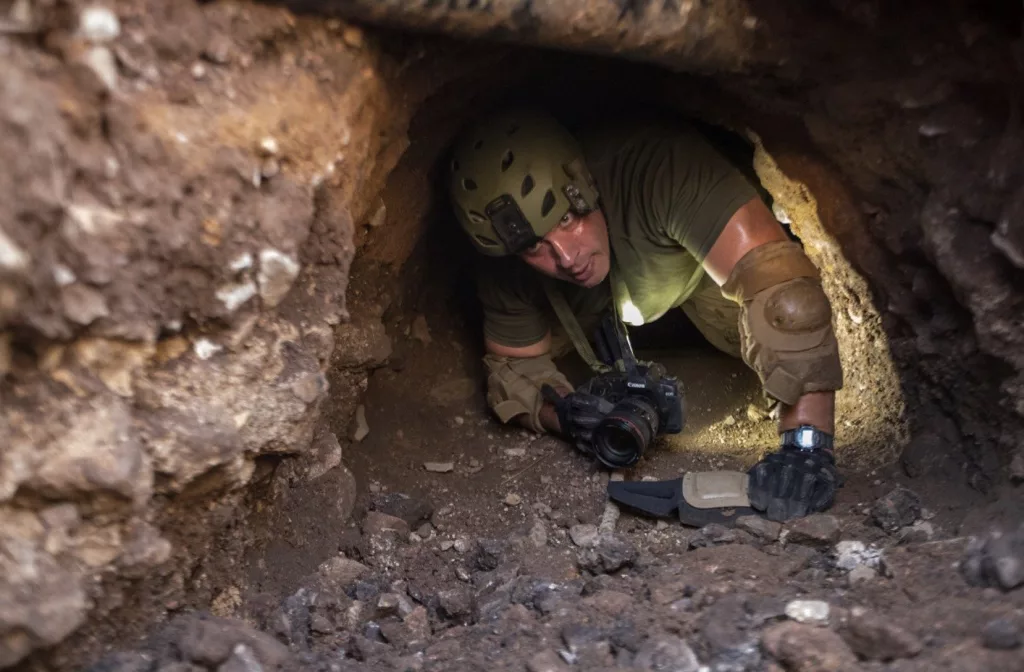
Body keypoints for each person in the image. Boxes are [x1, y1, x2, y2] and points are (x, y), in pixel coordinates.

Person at [446, 108, 843, 521]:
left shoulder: (660, 170)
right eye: (535, 248)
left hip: (696, 276)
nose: (566, 256)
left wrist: (806, 446)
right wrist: (570, 416)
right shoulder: (509, 266)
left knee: (785, 331)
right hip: (590, 306)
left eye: (567, 219)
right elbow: (515, 372)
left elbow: (784, 294)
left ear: (582, 183)